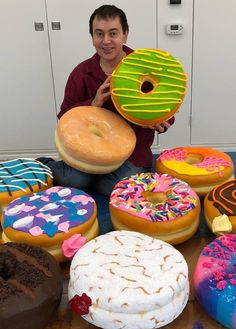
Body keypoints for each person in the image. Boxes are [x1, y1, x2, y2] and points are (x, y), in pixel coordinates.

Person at [38, 4, 175, 197]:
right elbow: (65, 116)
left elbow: (166, 106)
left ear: (125, 35)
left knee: (113, 188)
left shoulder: (146, 68)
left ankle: (91, 177)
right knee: (73, 180)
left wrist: (163, 122)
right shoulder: (81, 73)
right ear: (92, 37)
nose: (106, 41)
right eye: (99, 34)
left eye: (113, 33)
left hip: (132, 153)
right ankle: (48, 165)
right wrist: (93, 104)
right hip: (91, 150)